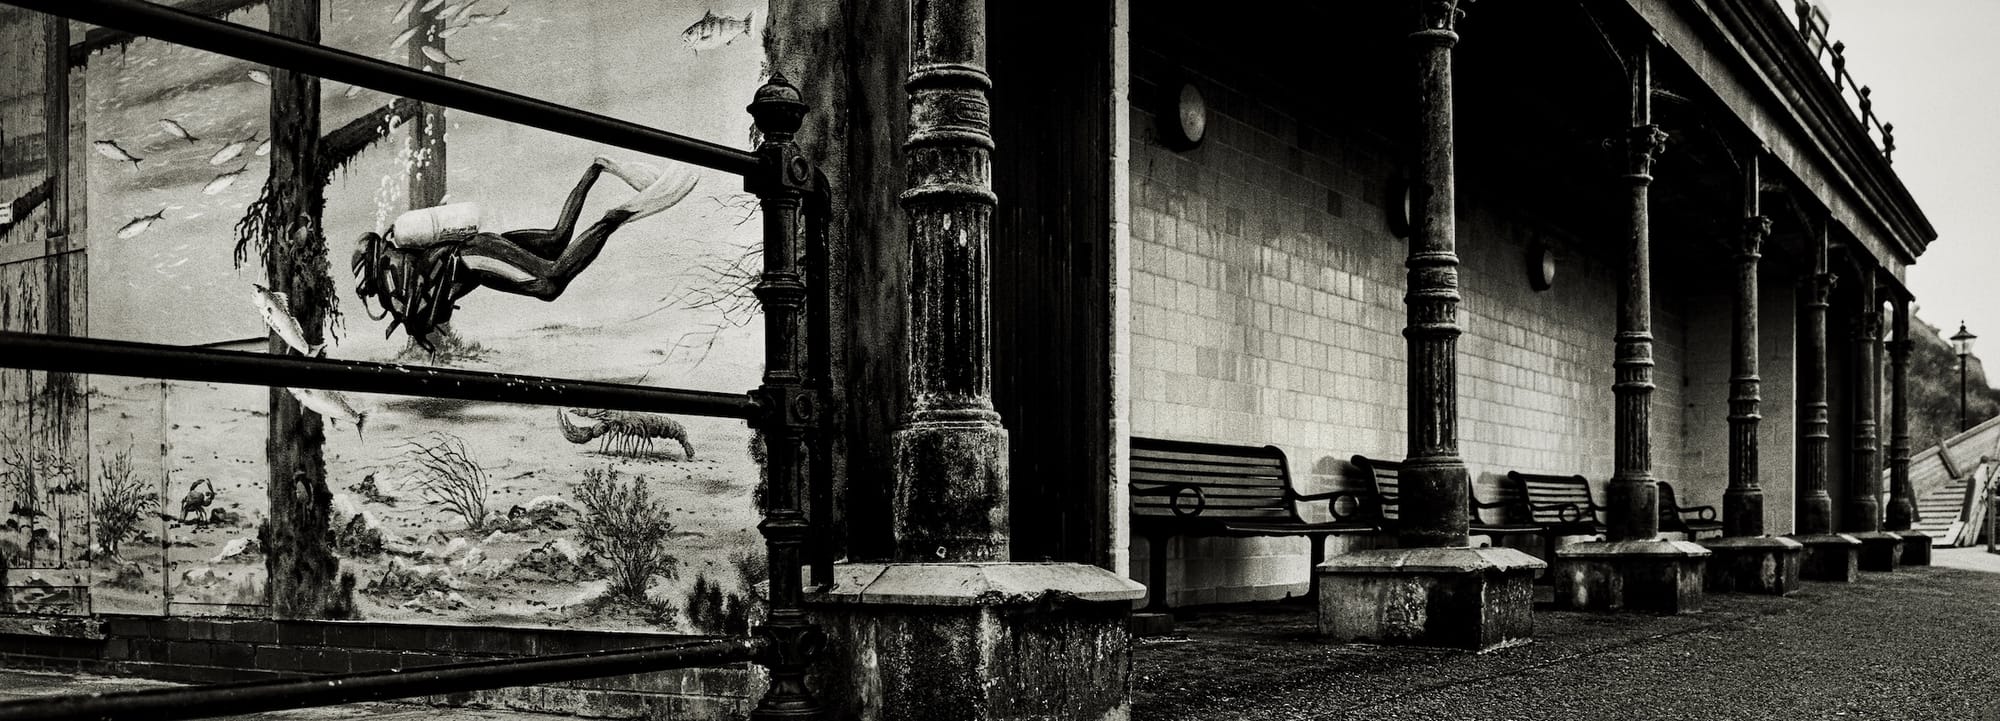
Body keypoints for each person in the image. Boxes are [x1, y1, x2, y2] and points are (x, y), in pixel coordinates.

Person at [351, 156, 696, 348]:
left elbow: (428, 314)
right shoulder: (397, 269)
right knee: (557, 239)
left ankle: (617, 215)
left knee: (550, 283)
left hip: (474, 256)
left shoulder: (394, 285)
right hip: (478, 248)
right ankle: (597, 168)